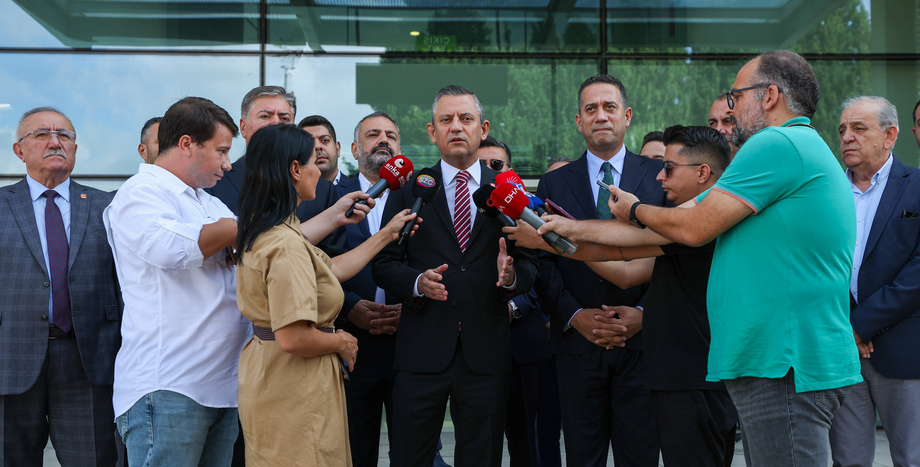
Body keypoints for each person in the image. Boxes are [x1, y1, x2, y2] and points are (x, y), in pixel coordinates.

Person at [599, 49, 860, 466]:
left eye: (736, 97)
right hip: (775, 362)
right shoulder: (793, 149)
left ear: (770, 95)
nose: (731, 111)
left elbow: (693, 227)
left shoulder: (777, 142)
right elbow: (675, 224)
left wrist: (632, 208)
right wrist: (561, 231)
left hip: (781, 363)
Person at [511, 125, 739, 466]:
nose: (660, 177)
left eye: (670, 168)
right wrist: (552, 241)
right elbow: (626, 266)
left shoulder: (694, 222)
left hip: (696, 378)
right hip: (684, 377)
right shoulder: (693, 220)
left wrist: (555, 235)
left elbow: (624, 243)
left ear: (703, 173)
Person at [372, 84, 538, 467]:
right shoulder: (410, 189)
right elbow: (383, 264)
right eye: (446, 120)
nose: (456, 127)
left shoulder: (507, 190)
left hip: (487, 354)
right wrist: (417, 282)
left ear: (483, 127)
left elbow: (532, 264)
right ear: (432, 132)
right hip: (421, 353)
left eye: (466, 119)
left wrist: (511, 277)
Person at [234, 123, 416, 466]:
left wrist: (385, 235)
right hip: (293, 383)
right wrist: (342, 342)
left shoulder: (272, 229)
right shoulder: (284, 244)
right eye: (312, 161)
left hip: (274, 376)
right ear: (294, 170)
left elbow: (327, 271)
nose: (320, 169)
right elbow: (293, 337)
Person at [104, 97, 250, 466]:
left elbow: (265, 241)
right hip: (169, 387)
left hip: (222, 389)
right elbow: (170, 249)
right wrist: (236, 229)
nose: (228, 163)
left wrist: (334, 216)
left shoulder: (210, 204)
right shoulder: (140, 193)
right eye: (220, 151)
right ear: (186, 144)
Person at [534, 74, 665, 466]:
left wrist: (644, 314)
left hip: (642, 344)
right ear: (579, 121)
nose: (600, 116)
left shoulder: (659, 179)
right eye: (591, 109)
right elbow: (542, 259)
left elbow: (672, 255)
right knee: (581, 457)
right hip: (577, 346)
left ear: (626, 116)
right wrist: (574, 316)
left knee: (640, 457)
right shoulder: (553, 183)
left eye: (609, 107)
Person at [0, 106, 121, 466]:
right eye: (42, 135)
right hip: (11, 359)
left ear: (75, 148)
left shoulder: (109, 207)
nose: (55, 142)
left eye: (64, 135)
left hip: (88, 362)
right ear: (19, 150)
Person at [829, 96, 920, 467]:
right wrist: (845, 327)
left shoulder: (917, 185)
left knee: (911, 458)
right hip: (840, 350)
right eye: (842, 130)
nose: (847, 137)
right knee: (848, 461)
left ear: (890, 135)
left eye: (859, 128)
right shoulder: (825, 191)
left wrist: (861, 324)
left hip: (902, 350)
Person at [480, 135, 563, 467]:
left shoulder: (532, 209)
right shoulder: (457, 207)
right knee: (479, 445)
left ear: (508, 170)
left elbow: (543, 272)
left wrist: (514, 305)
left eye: (495, 165)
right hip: (477, 349)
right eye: (481, 166)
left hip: (527, 347)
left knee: (532, 446)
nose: (488, 171)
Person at [334, 110, 404, 466]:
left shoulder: (419, 195)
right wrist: (350, 307)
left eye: (391, 136)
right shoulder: (333, 197)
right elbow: (318, 267)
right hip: (352, 346)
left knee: (412, 452)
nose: (383, 141)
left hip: (408, 345)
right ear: (354, 148)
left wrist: (410, 306)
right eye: (373, 134)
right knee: (354, 453)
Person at [208, 85, 346, 256]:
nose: (275, 123)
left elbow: (333, 264)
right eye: (265, 116)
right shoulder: (215, 182)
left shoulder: (323, 190)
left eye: (284, 118)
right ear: (243, 127)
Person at [299, 114, 345, 184]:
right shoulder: (290, 193)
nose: (317, 146)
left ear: (338, 149)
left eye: (325, 140)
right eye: (309, 142)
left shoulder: (360, 189)